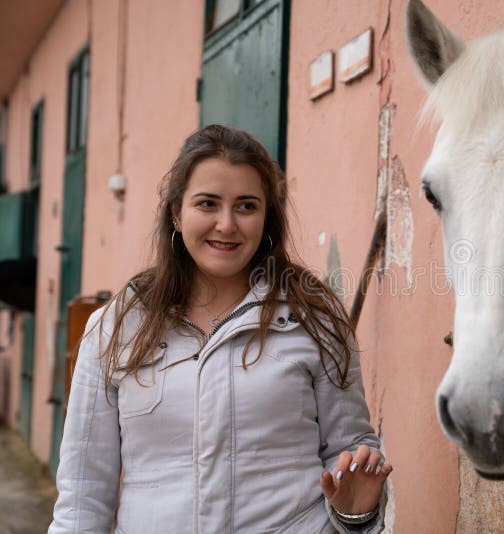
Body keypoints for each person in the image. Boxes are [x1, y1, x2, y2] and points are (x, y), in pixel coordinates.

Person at [49, 124, 391, 533]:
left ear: (267, 218)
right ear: (176, 212)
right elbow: (83, 493)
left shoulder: (314, 320)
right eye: (207, 203)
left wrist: (356, 512)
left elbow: (352, 458)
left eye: (246, 206)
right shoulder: (116, 327)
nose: (227, 225)